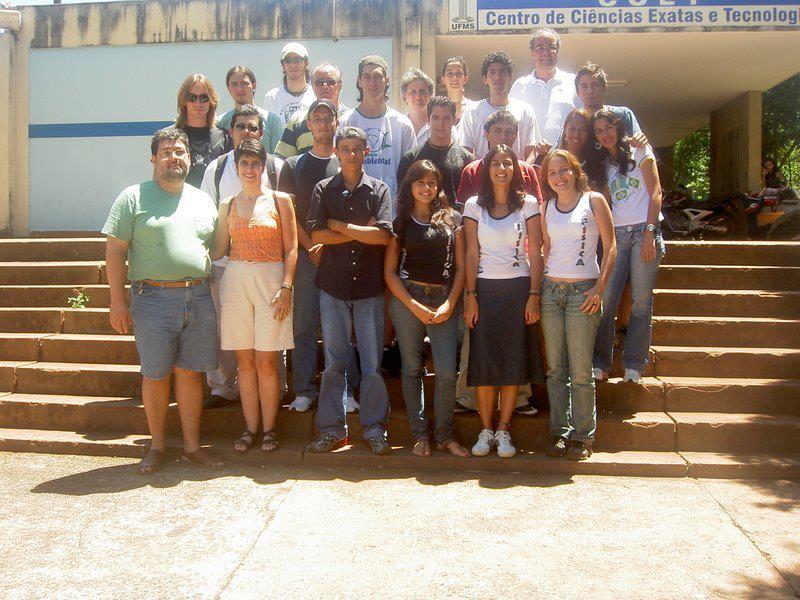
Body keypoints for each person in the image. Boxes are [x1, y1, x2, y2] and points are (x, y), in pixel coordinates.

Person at [102, 128, 222, 474]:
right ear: (153, 158)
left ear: (189, 158)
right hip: (152, 299)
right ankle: (156, 447)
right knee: (155, 375)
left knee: (190, 374)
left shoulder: (203, 200)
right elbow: (115, 250)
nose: (174, 158)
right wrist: (117, 300)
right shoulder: (132, 197)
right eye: (166, 152)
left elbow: (215, 248)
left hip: (199, 297)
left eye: (180, 152)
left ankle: (192, 448)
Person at [305, 126, 393, 455]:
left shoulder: (379, 190)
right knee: (333, 364)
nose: (352, 154)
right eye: (345, 148)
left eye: (357, 148)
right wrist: (361, 231)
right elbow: (317, 235)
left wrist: (340, 226)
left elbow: (383, 236)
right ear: (337, 153)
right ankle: (332, 430)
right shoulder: (324, 189)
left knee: (372, 364)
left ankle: (375, 428)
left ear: (366, 152)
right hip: (333, 287)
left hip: (370, 287)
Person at [210, 138, 297, 454]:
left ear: (263, 167)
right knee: (244, 361)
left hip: (271, 280)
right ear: (236, 167)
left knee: (267, 361)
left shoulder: (280, 200)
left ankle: (270, 429)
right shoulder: (227, 204)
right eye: (244, 163)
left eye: (255, 163)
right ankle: (250, 428)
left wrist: (287, 286)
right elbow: (218, 250)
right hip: (235, 280)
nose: (250, 169)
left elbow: (292, 248)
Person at [277, 99, 360, 413]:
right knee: (304, 326)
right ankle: (304, 389)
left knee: (342, 328)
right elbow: (287, 213)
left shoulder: (345, 163)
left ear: (337, 122)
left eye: (329, 118)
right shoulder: (293, 165)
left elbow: (352, 212)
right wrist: (311, 244)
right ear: (309, 124)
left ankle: (346, 390)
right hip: (304, 256)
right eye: (317, 118)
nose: (324, 124)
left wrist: (329, 245)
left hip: (340, 256)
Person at [462, 145, 545, 458]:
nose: (501, 169)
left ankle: (503, 429)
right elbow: (471, 252)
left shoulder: (529, 204)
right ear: (487, 169)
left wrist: (534, 295)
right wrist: (471, 296)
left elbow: (535, 250)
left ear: (516, 169)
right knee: (483, 362)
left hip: (518, 289)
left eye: (507, 163)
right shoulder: (473, 205)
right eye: (495, 163)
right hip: (484, 289)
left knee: (512, 362)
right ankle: (485, 429)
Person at [200, 104, 284, 409]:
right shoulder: (216, 168)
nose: (246, 132)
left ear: (262, 132)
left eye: (253, 127)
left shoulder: (276, 166)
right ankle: (223, 386)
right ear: (230, 131)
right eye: (240, 126)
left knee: (270, 333)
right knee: (226, 329)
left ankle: (275, 390)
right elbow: (207, 214)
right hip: (226, 266)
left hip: (269, 267)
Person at [384, 160, 470, 458]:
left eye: (432, 182)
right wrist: (413, 306)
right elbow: (390, 273)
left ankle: (445, 435)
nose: (426, 187)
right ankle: (419, 434)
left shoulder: (452, 219)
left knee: (446, 372)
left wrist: (449, 303)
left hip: (444, 299)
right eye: (420, 182)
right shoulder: (400, 222)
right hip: (408, 299)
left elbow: (461, 267)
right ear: (410, 186)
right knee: (412, 369)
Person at [539, 150, 616, 461]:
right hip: (550, 291)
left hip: (583, 292)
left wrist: (599, 288)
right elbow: (546, 248)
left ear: (574, 170)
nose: (558, 177)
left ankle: (583, 436)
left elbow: (611, 247)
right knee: (555, 369)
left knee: (581, 370)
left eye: (564, 170)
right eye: (551, 172)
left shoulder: (593, 200)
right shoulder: (546, 206)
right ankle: (560, 432)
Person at [588, 109, 664, 384]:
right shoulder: (604, 164)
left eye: (608, 128)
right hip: (618, 236)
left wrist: (650, 232)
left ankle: (634, 364)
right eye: (599, 131)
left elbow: (656, 192)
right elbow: (605, 203)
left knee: (641, 301)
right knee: (606, 299)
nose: (605, 134)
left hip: (644, 232)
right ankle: (600, 362)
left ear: (618, 127)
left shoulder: (640, 150)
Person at [339, 55, 416, 210]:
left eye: (378, 77)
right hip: (354, 209)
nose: (372, 83)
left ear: (387, 80)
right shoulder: (346, 122)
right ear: (359, 81)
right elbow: (339, 167)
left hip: (393, 211)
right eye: (367, 77)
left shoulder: (402, 124)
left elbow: (411, 173)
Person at [457, 51, 540, 163]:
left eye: (502, 72)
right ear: (485, 79)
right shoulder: (471, 112)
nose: (498, 77)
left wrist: (522, 171)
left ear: (510, 77)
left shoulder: (525, 110)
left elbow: (531, 151)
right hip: (482, 173)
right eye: (492, 72)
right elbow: (465, 150)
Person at [509, 27, 577, 156]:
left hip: (565, 163)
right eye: (540, 48)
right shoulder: (519, 86)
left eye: (552, 47)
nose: (546, 53)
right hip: (528, 162)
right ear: (532, 53)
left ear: (557, 51)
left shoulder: (573, 83)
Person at [396, 96, 473, 205]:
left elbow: (471, 202)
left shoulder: (467, 160)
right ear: (428, 119)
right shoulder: (411, 159)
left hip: (454, 215)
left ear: (454, 120)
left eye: (446, 118)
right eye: (436, 118)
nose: (441, 123)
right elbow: (403, 199)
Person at [457, 110, 542, 204]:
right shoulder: (471, 171)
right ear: (486, 134)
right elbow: (463, 208)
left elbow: (537, 207)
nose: (503, 137)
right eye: (497, 131)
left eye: (509, 132)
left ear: (515, 136)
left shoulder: (527, 170)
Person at [275, 62, 349, 159]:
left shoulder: (350, 118)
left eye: (330, 82)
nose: (324, 86)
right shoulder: (297, 120)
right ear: (312, 86)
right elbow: (282, 159)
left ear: (340, 85)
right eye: (319, 82)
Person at [166, 73, 229, 188]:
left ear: (211, 101)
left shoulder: (224, 137)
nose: (198, 103)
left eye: (204, 98)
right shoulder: (168, 136)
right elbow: (159, 176)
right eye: (192, 98)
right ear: (184, 101)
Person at [216, 66, 283, 153]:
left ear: (254, 86)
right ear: (229, 89)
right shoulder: (221, 122)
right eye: (234, 84)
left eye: (244, 83)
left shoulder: (272, 120)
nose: (239, 89)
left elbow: (278, 155)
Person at [574, 62, 642, 137]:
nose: (590, 91)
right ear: (577, 92)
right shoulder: (575, 122)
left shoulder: (623, 115)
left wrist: (639, 140)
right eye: (584, 86)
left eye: (595, 85)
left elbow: (640, 142)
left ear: (604, 88)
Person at [263, 42, 316, 126]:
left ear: (306, 64)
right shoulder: (272, 97)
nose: (293, 64)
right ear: (283, 65)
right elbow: (269, 130)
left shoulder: (316, 94)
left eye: (298, 59)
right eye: (288, 60)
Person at [400, 68, 435, 145]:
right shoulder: (398, 125)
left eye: (422, 92)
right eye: (412, 92)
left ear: (430, 96)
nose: (418, 96)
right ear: (405, 97)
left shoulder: (440, 126)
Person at [439, 56, 475, 123]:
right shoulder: (438, 110)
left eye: (459, 73)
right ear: (443, 79)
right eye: (450, 73)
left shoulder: (474, 108)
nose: (454, 78)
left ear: (465, 79)